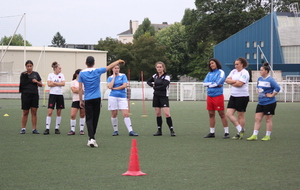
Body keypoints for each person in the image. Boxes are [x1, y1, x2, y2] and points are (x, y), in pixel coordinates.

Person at [79, 56, 125, 148]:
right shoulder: (97, 71)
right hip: (97, 98)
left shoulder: (81, 73)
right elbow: (109, 66)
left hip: (87, 98)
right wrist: (118, 61)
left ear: (86, 63)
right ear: (94, 63)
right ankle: (92, 138)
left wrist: (81, 100)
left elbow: (80, 88)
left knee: (89, 119)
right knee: (95, 118)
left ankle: (91, 138)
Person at [247, 63, 280, 141]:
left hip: (269, 102)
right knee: (257, 118)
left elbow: (277, 88)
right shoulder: (259, 79)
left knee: (268, 119)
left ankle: (267, 135)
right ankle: (254, 135)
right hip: (261, 102)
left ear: (266, 71)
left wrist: (272, 95)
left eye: (262, 70)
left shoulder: (271, 80)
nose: (260, 71)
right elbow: (258, 87)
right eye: (260, 70)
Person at [107, 64, 138, 136]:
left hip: (122, 97)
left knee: (126, 114)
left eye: (118, 68)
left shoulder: (123, 76)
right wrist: (114, 77)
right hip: (113, 97)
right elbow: (109, 86)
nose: (116, 69)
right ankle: (115, 130)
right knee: (114, 114)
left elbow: (124, 85)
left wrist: (114, 88)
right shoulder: (110, 78)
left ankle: (130, 131)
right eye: (115, 68)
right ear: (112, 69)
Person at [147, 61, 176, 137]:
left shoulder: (166, 76)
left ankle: (171, 130)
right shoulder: (155, 76)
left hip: (163, 96)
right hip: (156, 96)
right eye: (157, 67)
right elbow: (148, 81)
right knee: (158, 114)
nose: (159, 68)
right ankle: (159, 130)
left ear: (163, 68)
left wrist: (155, 87)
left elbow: (163, 86)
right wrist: (152, 85)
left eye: (160, 67)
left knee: (167, 114)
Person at [203, 58, 229, 139]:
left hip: (218, 95)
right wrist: (213, 84)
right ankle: (212, 132)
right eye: (210, 64)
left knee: (221, 114)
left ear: (216, 63)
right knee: (211, 114)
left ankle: (226, 132)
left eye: (213, 63)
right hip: (209, 95)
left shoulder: (221, 72)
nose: (211, 65)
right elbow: (204, 83)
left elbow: (219, 81)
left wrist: (211, 84)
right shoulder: (209, 74)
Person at [225, 57, 250, 140]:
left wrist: (232, 82)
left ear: (242, 64)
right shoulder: (233, 71)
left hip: (242, 96)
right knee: (228, 114)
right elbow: (227, 80)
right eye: (235, 64)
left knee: (240, 115)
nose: (235, 66)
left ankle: (240, 134)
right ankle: (240, 129)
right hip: (233, 96)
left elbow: (240, 84)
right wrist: (235, 82)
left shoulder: (245, 73)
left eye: (237, 64)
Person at [19, 60, 43, 134]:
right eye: (28, 66)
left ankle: (34, 129)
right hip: (26, 95)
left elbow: (41, 84)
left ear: (32, 66)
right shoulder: (23, 74)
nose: (29, 67)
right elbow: (21, 84)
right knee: (25, 112)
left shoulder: (36, 74)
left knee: (34, 112)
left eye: (30, 66)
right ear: (26, 66)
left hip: (34, 94)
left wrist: (36, 82)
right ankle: (23, 128)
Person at [43, 62, 65, 135]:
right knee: (50, 112)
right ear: (55, 68)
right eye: (59, 68)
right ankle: (47, 128)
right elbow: (49, 84)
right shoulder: (50, 75)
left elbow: (63, 84)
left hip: (59, 95)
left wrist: (55, 83)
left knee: (59, 112)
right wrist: (58, 84)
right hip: (52, 95)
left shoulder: (61, 75)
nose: (60, 70)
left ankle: (56, 128)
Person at [68, 69, 85, 135]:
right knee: (73, 115)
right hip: (75, 100)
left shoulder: (84, 82)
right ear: (77, 74)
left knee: (82, 114)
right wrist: (80, 90)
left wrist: (78, 90)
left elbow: (84, 91)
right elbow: (74, 90)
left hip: (83, 99)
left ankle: (81, 129)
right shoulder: (73, 82)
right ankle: (72, 130)